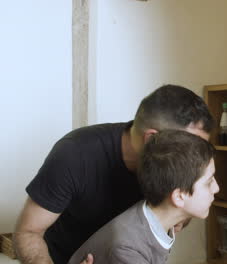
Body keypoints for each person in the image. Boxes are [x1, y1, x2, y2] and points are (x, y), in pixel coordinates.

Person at [13, 85, 214, 264]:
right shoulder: (75, 154)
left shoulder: (179, 167)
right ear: (152, 138)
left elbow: (180, 214)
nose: (196, 156)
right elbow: (28, 232)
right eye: (191, 147)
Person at [68, 129, 219, 264]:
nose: (216, 188)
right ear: (179, 197)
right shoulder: (128, 248)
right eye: (209, 182)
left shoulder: (157, 220)